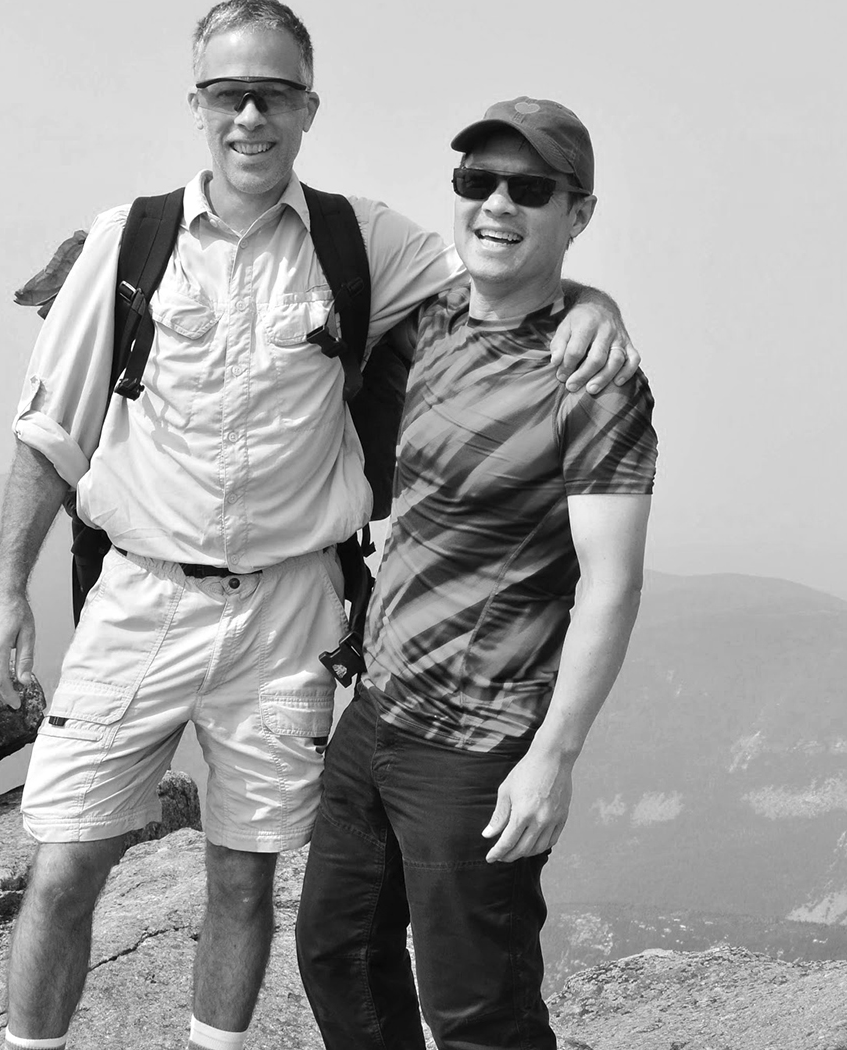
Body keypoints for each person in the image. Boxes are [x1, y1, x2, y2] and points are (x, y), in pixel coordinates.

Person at [0, 2, 640, 1050]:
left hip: (293, 612)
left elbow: (508, 277)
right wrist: (7, 592)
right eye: (229, 93)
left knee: (250, 882)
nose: (251, 115)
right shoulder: (131, 241)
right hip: (148, 599)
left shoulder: (362, 241)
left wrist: (597, 306)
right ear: (198, 105)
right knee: (72, 867)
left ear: (308, 108)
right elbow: (49, 430)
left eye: (274, 94)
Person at [295, 98, 657, 1050]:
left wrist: (554, 759)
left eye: (530, 190)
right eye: (477, 182)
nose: (497, 204)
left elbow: (612, 584)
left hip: (478, 745)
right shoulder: (435, 319)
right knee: (336, 956)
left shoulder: (593, 380)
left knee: (476, 1009)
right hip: (375, 713)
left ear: (578, 214)